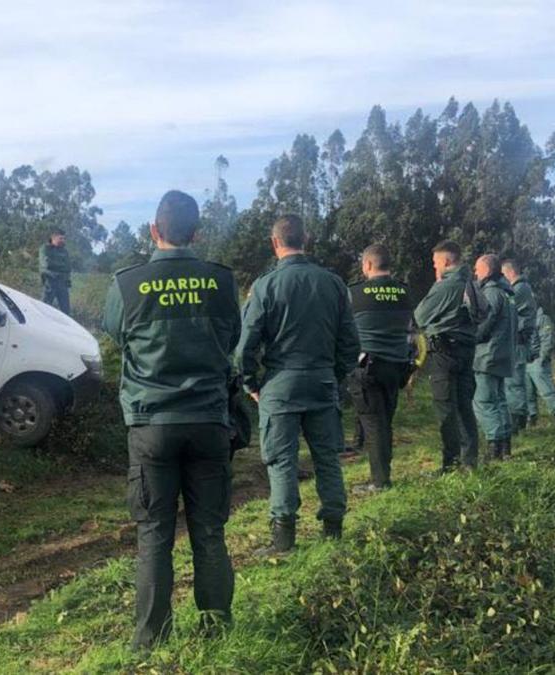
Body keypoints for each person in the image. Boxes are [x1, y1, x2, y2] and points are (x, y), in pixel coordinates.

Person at [101, 190, 241, 651]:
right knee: (209, 529)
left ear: (153, 231)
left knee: (155, 534)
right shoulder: (221, 282)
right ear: (196, 234)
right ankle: (218, 629)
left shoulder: (127, 284)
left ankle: (149, 640)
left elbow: (116, 332)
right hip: (208, 422)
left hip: (152, 424)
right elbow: (232, 337)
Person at [238, 215, 360, 552]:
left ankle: (283, 540)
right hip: (322, 382)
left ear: (275, 243)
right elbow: (351, 342)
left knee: (282, 461)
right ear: (307, 239)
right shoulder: (334, 283)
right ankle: (333, 533)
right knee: (327, 459)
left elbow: (246, 344)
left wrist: (251, 383)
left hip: (279, 386)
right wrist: (332, 376)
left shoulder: (265, 286)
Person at [347, 244, 412, 492]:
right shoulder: (405, 292)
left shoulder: (355, 293)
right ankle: (382, 475)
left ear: (368, 265)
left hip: (367, 368)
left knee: (374, 426)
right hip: (396, 368)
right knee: (385, 422)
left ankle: (380, 482)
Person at [413, 241, 481, 472]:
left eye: (435, 262)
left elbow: (420, 316)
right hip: (467, 350)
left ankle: (449, 464)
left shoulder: (445, 286)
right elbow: (485, 312)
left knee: (445, 407)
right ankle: (470, 461)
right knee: (465, 406)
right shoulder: (472, 284)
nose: (434, 267)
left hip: (443, 352)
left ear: (446, 261)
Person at [472, 254, 518, 460]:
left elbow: (483, 326)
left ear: (488, 271)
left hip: (486, 356)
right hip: (503, 355)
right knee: (499, 401)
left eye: (477, 269)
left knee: (483, 402)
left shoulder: (490, 293)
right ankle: (505, 447)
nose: (475, 272)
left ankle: (494, 449)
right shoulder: (508, 294)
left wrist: (467, 338)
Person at [501, 259, 536, 434]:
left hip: (517, 340)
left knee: (514, 382)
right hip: (520, 340)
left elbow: (506, 309)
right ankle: (517, 417)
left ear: (509, 273)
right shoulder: (525, 288)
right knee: (515, 381)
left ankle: (517, 420)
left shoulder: (519, 289)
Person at [526, 305, 555, 424]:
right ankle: (531, 418)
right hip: (524, 361)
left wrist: (542, 358)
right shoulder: (521, 318)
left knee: (547, 390)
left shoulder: (542, 318)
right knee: (527, 393)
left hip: (537, 361)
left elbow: (547, 339)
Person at [39, 228, 71, 314]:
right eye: (61, 238)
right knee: (44, 308)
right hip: (50, 282)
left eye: (64, 238)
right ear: (53, 238)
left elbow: (68, 267)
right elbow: (46, 264)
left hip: (62, 282)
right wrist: (61, 266)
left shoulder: (64, 251)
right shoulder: (45, 248)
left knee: (66, 310)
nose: (63, 240)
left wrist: (57, 268)